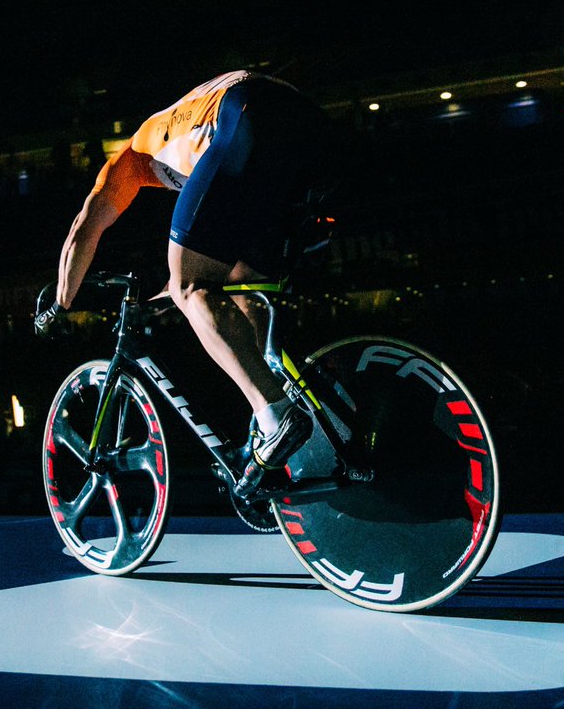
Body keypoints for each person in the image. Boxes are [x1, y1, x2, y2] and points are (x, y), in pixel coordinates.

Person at [35, 70, 339, 496]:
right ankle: (329, 420)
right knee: (241, 289)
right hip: (313, 132)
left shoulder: (135, 153)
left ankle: (276, 415)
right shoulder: (187, 132)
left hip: (249, 114)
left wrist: (60, 303)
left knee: (190, 287)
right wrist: (166, 295)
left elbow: (86, 225)